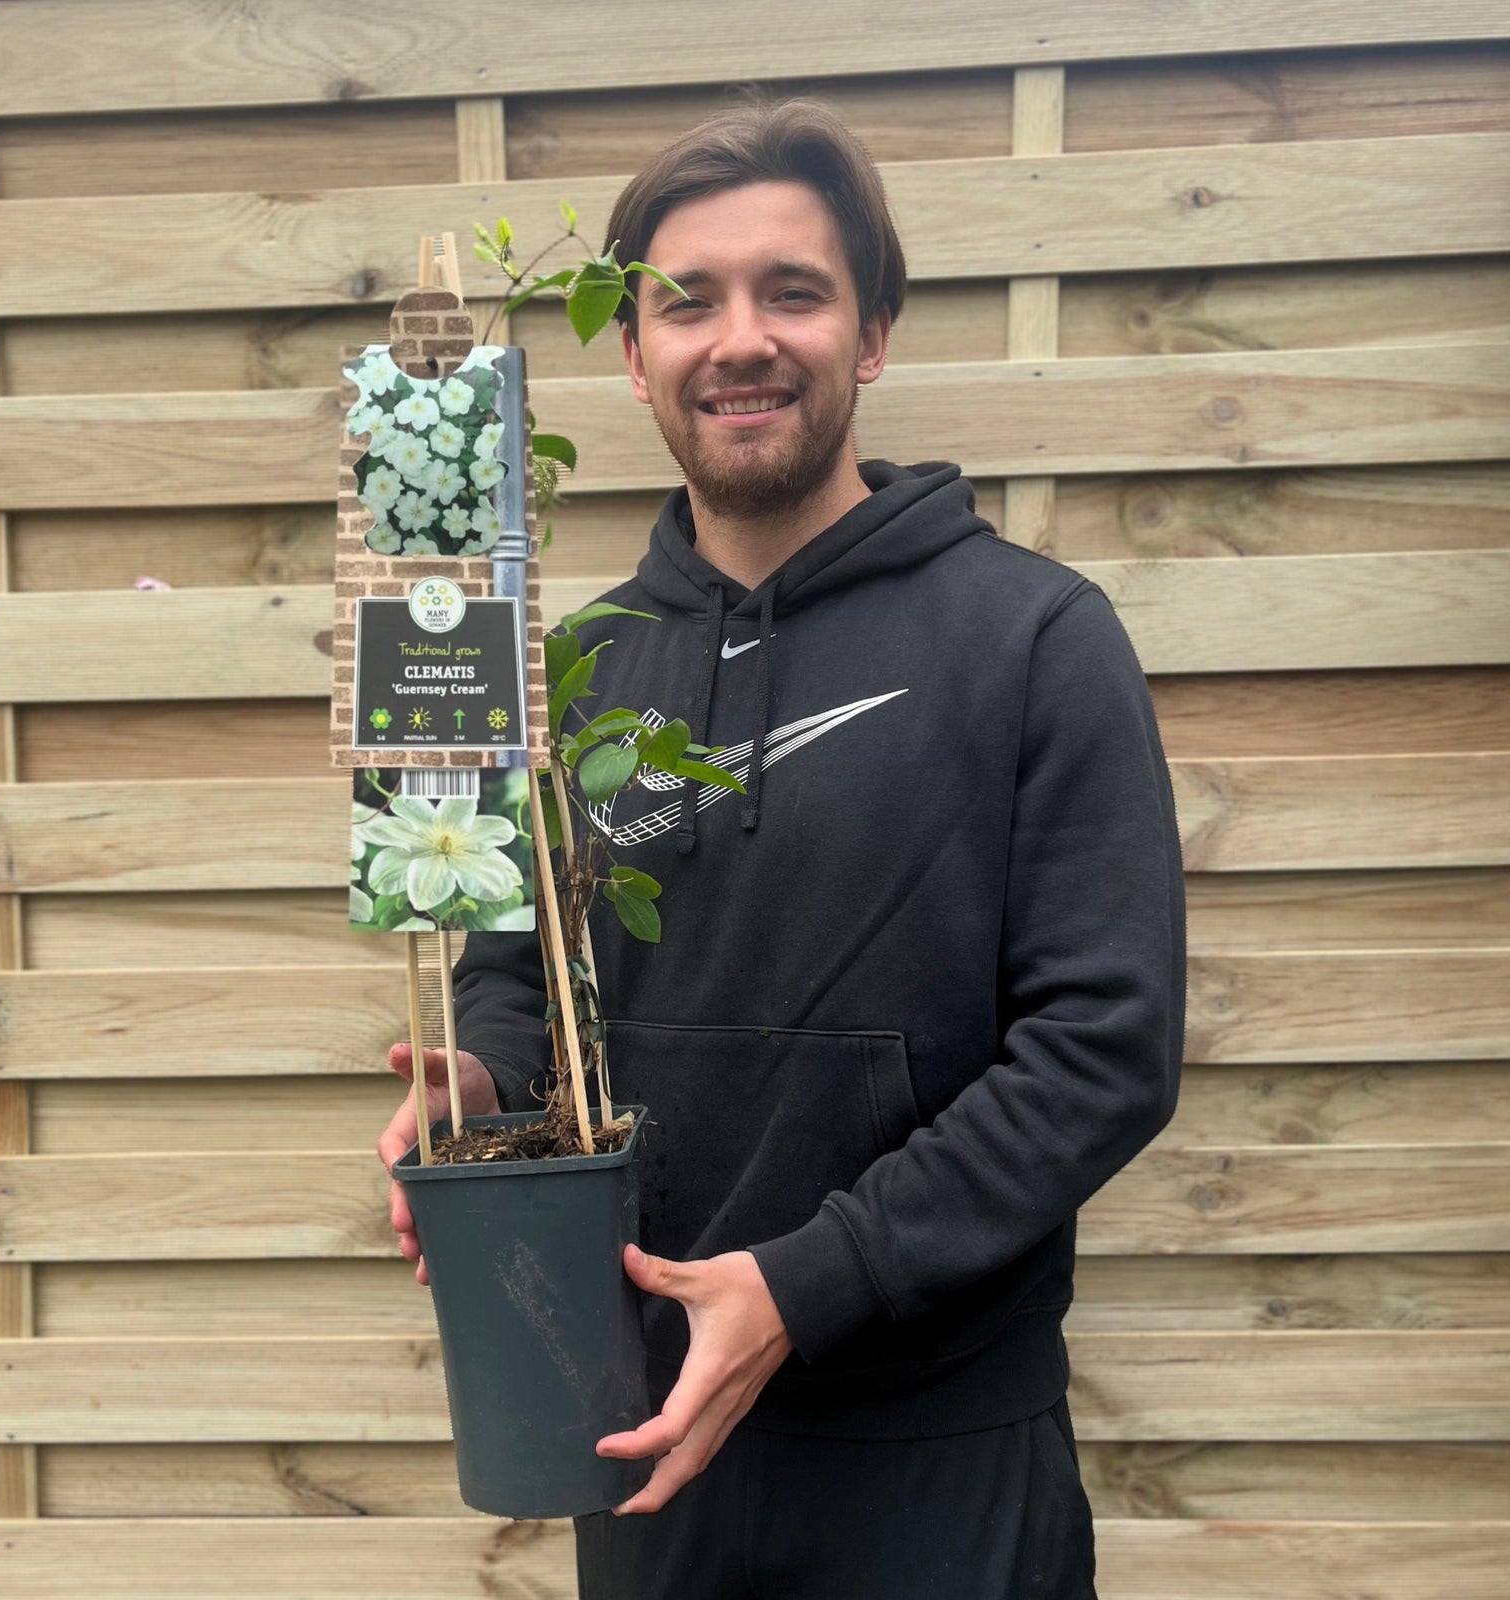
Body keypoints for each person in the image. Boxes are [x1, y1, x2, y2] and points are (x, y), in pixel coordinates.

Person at [379, 99, 1186, 1599]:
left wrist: (808, 1284)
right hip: (640, 1439)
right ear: (630, 352)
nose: (738, 338)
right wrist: (484, 1076)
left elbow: (1106, 1051)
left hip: (936, 1457)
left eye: (793, 292)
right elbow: (516, 964)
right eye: (687, 301)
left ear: (871, 333)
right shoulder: (580, 668)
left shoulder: (1036, 640)